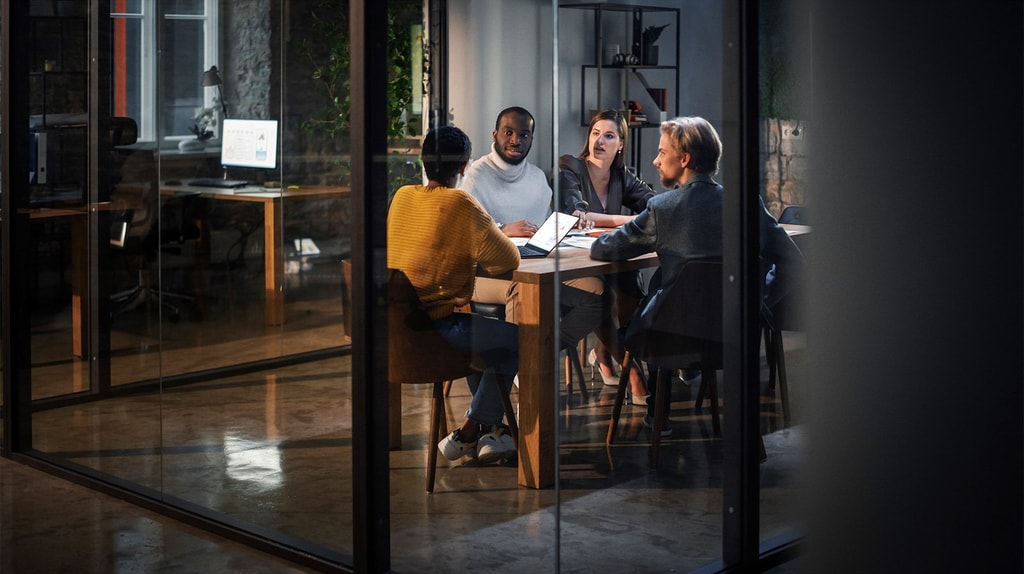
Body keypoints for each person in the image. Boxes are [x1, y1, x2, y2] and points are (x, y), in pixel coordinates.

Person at [591, 115, 804, 433]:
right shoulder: (746, 204)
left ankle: (658, 415)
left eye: (662, 153)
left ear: (685, 159)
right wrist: (758, 304)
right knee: (665, 282)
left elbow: (604, 251)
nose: (655, 160)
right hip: (732, 333)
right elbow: (792, 261)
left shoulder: (663, 208)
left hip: (671, 337)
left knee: (656, 293)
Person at [462, 107, 642, 400]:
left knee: (600, 295)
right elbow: (464, 232)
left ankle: (531, 355)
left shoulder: (535, 178)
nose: (515, 140)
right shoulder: (475, 174)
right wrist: (503, 229)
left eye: (524, 134)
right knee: (524, 290)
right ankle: (522, 371)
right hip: (486, 274)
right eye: (508, 132)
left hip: (537, 267)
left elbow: (546, 226)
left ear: (531, 139)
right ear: (495, 135)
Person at [387, 125, 521, 464]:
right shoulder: (461, 202)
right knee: (521, 339)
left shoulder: (402, 196)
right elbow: (509, 258)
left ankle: (490, 431)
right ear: (464, 168)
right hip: (438, 333)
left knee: (485, 338)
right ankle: (471, 429)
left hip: (395, 333)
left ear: (423, 161)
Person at [558, 110, 656, 400]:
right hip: (570, 262)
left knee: (632, 289)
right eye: (595, 133)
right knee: (604, 295)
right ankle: (632, 371)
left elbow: (653, 205)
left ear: (621, 144)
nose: (599, 141)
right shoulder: (569, 166)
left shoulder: (621, 176)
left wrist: (605, 220)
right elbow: (575, 214)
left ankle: (604, 352)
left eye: (609, 135)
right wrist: (624, 221)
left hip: (606, 255)